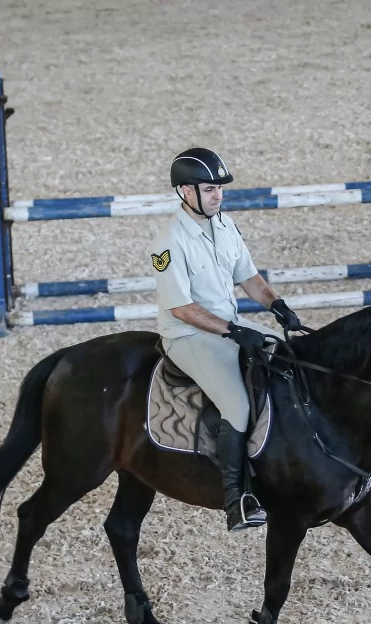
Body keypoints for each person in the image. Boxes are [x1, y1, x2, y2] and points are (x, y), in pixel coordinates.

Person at [151, 147, 304, 532]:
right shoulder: (169, 242)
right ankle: (237, 499)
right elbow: (181, 308)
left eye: (220, 187)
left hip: (228, 327)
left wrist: (276, 304)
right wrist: (235, 330)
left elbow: (249, 277)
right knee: (236, 403)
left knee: (289, 363)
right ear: (186, 192)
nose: (218, 194)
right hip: (189, 336)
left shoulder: (224, 224)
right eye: (209, 188)